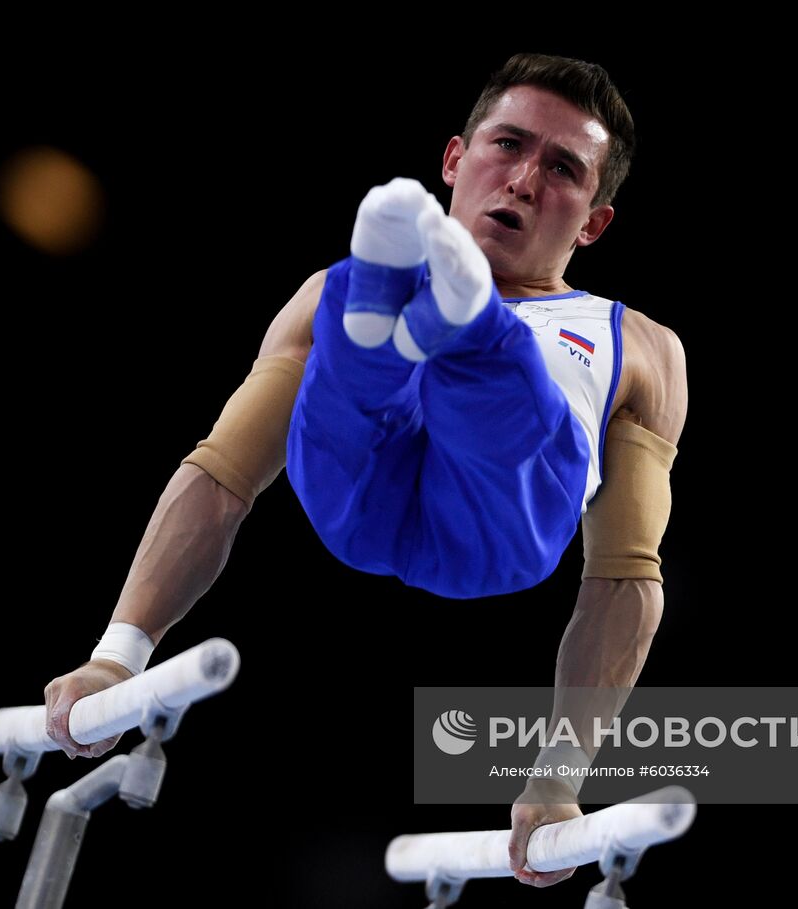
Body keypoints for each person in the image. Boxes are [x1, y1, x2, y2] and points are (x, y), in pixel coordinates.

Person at [43, 53, 687, 890]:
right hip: (357, 497)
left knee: (513, 414)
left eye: (562, 168)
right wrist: (117, 655)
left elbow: (624, 577)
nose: (525, 180)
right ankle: (426, 316)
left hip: (495, 529)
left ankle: (470, 332)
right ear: (455, 160)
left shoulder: (640, 349)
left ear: (594, 222)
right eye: (509, 145)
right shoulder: (322, 295)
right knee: (343, 344)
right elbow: (223, 472)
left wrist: (558, 778)